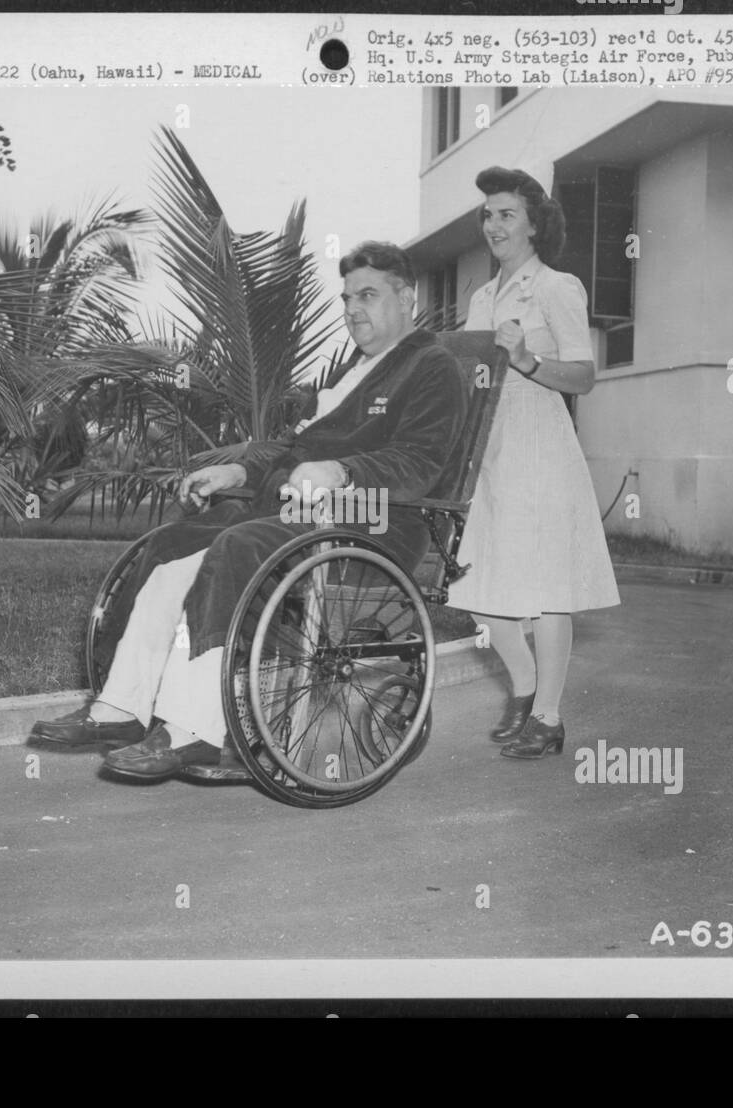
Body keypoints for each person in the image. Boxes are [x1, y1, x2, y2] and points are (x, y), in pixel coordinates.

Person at [30, 242, 467, 782]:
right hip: (300, 513)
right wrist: (239, 473)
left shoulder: (431, 368)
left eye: (369, 295)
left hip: (375, 524)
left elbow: (420, 462)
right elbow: (291, 449)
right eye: (348, 296)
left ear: (406, 298)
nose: (354, 308)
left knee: (237, 548)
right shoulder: (357, 371)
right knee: (172, 545)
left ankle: (195, 731)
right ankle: (121, 707)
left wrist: (343, 471)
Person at [446, 167, 620, 760]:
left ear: (535, 224)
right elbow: (471, 377)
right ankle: (523, 688)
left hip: (542, 448)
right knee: (477, 586)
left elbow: (584, 376)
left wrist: (524, 360)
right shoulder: (482, 297)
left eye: (506, 214)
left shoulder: (556, 287)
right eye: (488, 214)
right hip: (493, 452)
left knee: (547, 590)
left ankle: (548, 716)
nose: (492, 224)